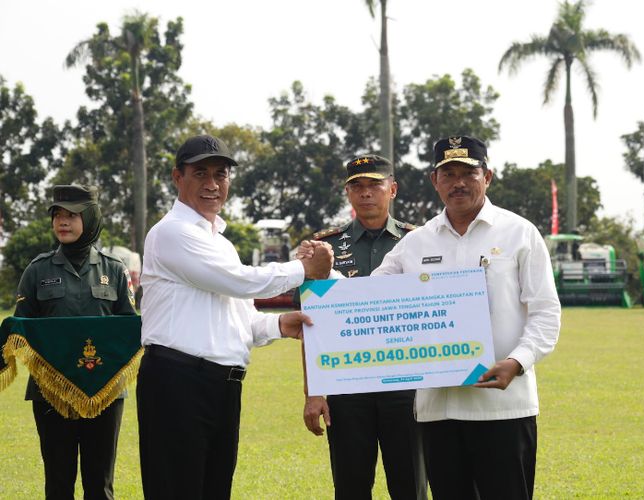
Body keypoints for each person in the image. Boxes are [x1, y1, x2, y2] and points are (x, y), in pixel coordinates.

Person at [137, 134, 333, 500]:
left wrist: (279, 324)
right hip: (177, 381)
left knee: (214, 489)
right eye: (200, 173)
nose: (212, 184)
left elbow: (241, 316)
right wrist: (305, 268)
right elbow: (239, 281)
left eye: (221, 174)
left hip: (222, 385)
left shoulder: (221, 242)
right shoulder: (171, 233)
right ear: (177, 177)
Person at [371, 136, 561, 499]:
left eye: (468, 173)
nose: (458, 182)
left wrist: (517, 362)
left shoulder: (519, 233)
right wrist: (320, 276)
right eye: (449, 173)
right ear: (434, 181)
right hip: (438, 410)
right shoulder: (416, 243)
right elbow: (371, 298)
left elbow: (545, 311)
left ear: (487, 176)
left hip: (504, 407)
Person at [302, 154, 428, 500]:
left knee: (411, 485)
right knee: (351, 485)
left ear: (393, 189)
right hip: (347, 386)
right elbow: (313, 322)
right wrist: (314, 392)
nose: (366, 193)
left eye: (375, 184)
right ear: (348, 193)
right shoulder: (325, 247)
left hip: (407, 385)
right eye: (356, 186)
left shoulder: (421, 241)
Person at [14, 185, 137, 500]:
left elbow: (129, 328)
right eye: (57, 215)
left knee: (100, 484)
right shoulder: (37, 270)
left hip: (106, 393)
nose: (62, 222)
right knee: (58, 482)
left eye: (71, 214)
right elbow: (21, 328)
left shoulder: (114, 270)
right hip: (50, 393)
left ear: (91, 217)